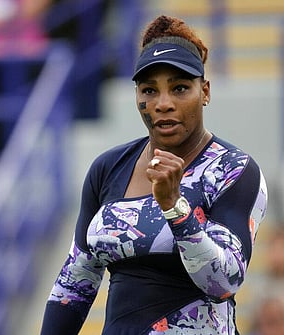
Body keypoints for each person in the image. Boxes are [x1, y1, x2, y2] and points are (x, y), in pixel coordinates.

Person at [40, 15, 268, 335]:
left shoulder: (234, 170)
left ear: (204, 92)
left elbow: (224, 282)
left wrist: (175, 207)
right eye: (149, 90)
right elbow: (75, 285)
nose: (162, 104)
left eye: (179, 88)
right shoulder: (108, 169)